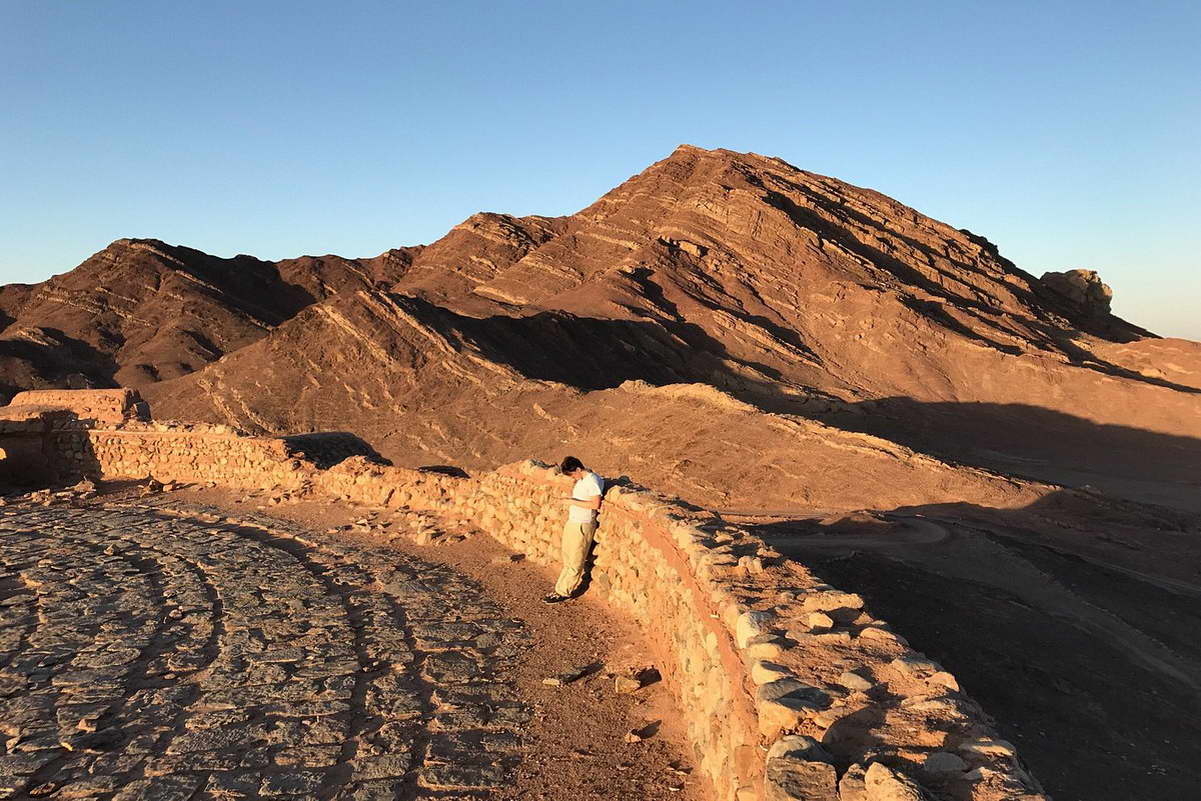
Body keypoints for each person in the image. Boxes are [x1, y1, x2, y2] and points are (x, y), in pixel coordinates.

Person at [543, 456, 604, 604]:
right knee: (568, 557)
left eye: (572, 474)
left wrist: (571, 501)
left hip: (583, 524)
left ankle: (563, 592)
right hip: (574, 521)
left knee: (576, 560)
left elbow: (595, 504)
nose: (572, 478)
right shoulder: (582, 479)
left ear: (578, 469)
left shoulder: (592, 481)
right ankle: (559, 588)